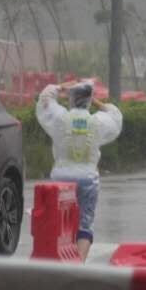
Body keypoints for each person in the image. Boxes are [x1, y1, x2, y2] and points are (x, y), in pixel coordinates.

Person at [35, 80, 123, 259]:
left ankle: (56, 260)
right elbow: (115, 116)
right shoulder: (97, 122)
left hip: (61, 178)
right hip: (88, 178)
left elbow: (45, 100)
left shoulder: (60, 118)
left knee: (58, 221)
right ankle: (79, 263)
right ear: (89, 100)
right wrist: (96, 101)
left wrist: (59, 88)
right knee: (85, 223)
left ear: (71, 99)